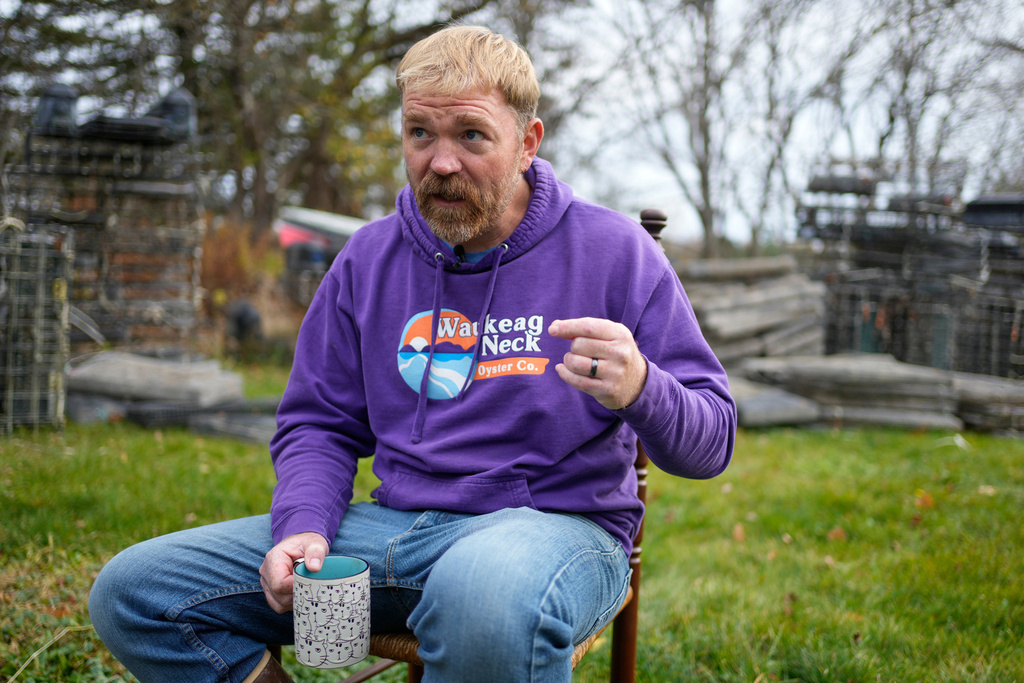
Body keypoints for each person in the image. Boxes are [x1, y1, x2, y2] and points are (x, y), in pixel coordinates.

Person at [89, 25, 736, 683]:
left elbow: (711, 446)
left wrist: (643, 387)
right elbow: (318, 423)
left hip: (555, 534)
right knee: (138, 592)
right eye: (420, 133)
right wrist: (304, 524)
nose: (441, 161)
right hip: (390, 534)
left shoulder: (615, 251)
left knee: (479, 598)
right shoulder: (367, 259)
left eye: (471, 136)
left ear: (527, 142)